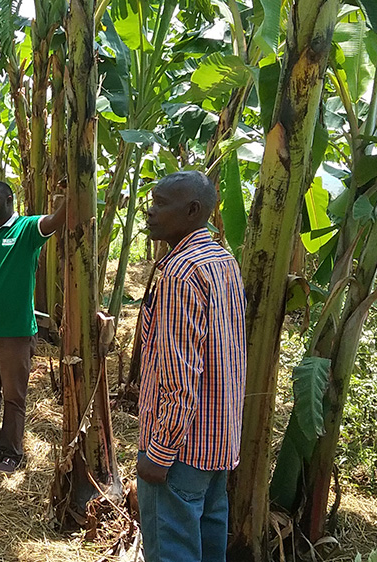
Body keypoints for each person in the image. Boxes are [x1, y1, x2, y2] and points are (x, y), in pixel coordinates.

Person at [136, 170, 246, 562]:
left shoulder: (180, 273)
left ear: (193, 210)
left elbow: (179, 375)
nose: (150, 212)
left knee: (174, 551)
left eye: (161, 204)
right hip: (218, 442)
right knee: (209, 546)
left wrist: (159, 451)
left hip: (181, 449)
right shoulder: (223, 260)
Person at [0, 180, 66, 474]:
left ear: (9, 200)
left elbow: (55, 220)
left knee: (13, 396)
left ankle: (11, 453)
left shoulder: (25, 229)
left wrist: (70, 192)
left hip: (14, 332)